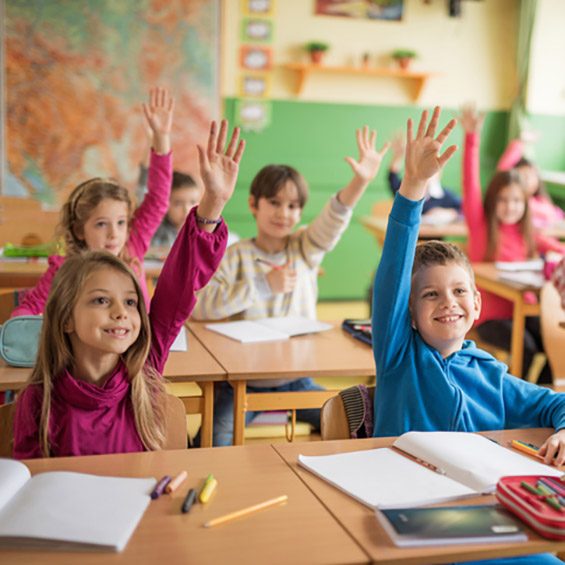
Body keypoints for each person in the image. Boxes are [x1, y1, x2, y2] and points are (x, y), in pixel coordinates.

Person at [372, 107, 565, 565]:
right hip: (412, 519)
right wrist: (412, 190)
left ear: (477, 305)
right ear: (409, 315)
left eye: (460, 291)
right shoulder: (399, 357)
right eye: (431, 295)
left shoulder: (491, 374)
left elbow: (554, 402)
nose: (448, 303)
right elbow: (393, 276)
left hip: (485, 516)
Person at [13, 120, 245, 458]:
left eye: (132, 302)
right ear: (65, 318)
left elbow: (178, 286)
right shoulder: (39, 399)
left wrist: (212, 204)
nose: (122, 312)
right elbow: (29, 481)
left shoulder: (144, 370)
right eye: (101, 300)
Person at [192, 125, 389, 446]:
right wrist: (262, 285)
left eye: (294, 206)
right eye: (275, 202)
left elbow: (333, 219)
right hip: (241, 381)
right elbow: (201, 307)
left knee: (353, 424)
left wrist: (360, 181)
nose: (284, 213)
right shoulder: (234, 255)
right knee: (211, 440)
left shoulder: (304, 248)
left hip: (296, 379)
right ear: (254, 204)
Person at [11, 87, 175, 316]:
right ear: (79, 230)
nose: (113, 234)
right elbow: (28, 308)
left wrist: (161, 139)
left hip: (137, 350)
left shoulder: (132, 247)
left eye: (120, 223)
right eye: (101, 224)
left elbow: (158, 198)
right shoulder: (66, 269)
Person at [460, 104, 565, 384]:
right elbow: (471, 183)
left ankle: (540, 393)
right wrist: (472, 138)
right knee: (527, 349)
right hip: (490, 317)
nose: (510, 207)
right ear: (493, 201)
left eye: (517, 201)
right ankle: (518, 399)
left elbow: (556, 247)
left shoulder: (526, 232)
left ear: (526, 203)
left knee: (555, 343)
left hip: (526, 308)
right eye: (503, 200)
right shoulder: (482, 227)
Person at [387, 132, 461, 223]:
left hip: (435, 236)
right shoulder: (407, 190)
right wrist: (397, 157)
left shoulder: (444, 195)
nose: (429, 173)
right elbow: (392, 178)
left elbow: (464, 210)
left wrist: (450, 213)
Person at [497, 133, 564, 230]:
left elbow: (551, 214)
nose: (528, 181)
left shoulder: (541, 202)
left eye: (532, 176)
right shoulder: (514, 204)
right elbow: (502, 171)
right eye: (523, 176)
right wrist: (520, 142)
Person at [150, 170, 203, 248]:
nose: (187, 210)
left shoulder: (203, 229)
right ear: (165, 204)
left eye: (192, 202)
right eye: (178, 204)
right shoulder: (158, 232)